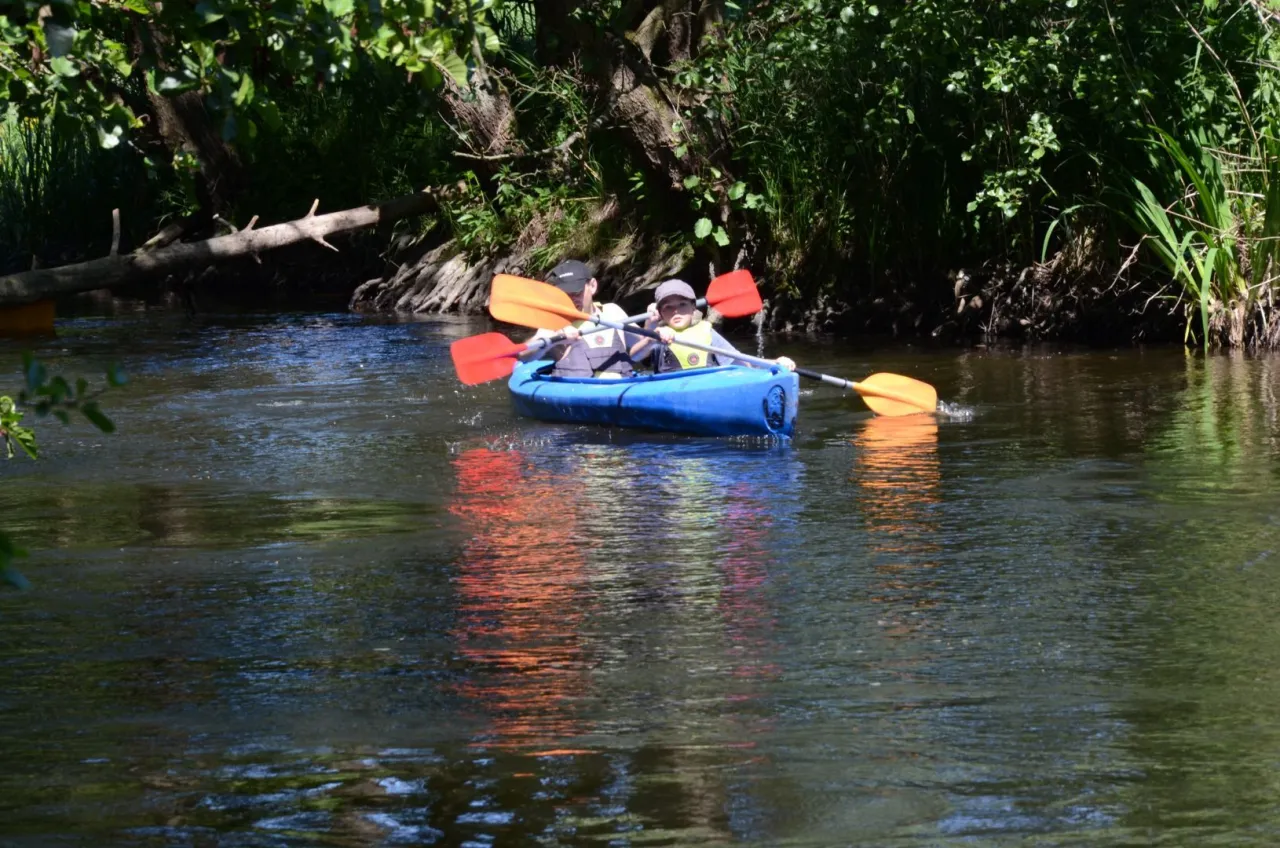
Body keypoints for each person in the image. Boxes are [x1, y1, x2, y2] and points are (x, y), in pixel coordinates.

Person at [631, 279, 796, 373]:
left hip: (706, 388)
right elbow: (635, 356)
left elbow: (744, 362)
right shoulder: (658, 334)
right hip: (669, 392)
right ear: (660, 312)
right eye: (668, 307)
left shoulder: (707, 331)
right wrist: (651, 339)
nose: (676, 311)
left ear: (693, 307)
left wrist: (775, 362)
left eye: (682, 304)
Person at [519, 259, 636, 379]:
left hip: (621, 389)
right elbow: (523, 356)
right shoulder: (554, 323)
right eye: (565, 294)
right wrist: (552, 340)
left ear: (592, 286)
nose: (571, 299)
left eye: (576, 292)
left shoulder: (613, 312)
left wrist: (652, 325)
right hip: (577, 393)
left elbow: (644, 351)